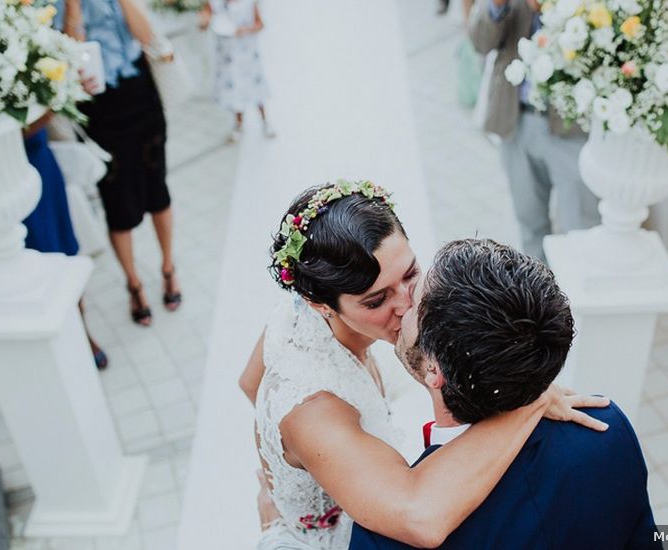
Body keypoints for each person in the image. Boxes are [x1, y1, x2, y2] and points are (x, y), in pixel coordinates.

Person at [240, 181, 611, 549]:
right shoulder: (313, 408)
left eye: (410, 274)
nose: (408, 304)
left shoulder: (296, 317)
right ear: (320, 304)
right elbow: (420, 519)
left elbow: (250, 383)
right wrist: (532, 400)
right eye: (376, 301)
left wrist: (292, 470)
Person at [350, 239, 660, 550]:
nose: (401, 305)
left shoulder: (388, 537)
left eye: (415, 300)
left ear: (434, 369)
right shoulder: (608, 430)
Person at [55, 0, 182, 327]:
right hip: (100, 108)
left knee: (158, 191)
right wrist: (73, 7)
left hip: (140, 93)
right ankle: (134, 283)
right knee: (118, 205)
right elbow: (71, 57)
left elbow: (146, 36)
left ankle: (168, 268)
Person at [468, 0, 599, 261]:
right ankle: (541, 297)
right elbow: (481, 42)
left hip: (570, 126)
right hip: (516, 120)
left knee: (582, 225)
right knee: (530, 225)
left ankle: (581, 296)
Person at [23, 113, 109, 369]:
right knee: (29, 265)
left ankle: (81, 329)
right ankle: (42, 339)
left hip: (38, 160)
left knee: (62, 252)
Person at [200, 0, 275, 141]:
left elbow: (260, 24)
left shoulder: (248, 3)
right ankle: (239, 125)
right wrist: (204, 21)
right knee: (234, 91)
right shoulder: (215, 3)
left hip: (247, 53)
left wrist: (244, 30)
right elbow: (204, 23)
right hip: (227, 56)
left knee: (255, 89)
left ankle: (265, 121)